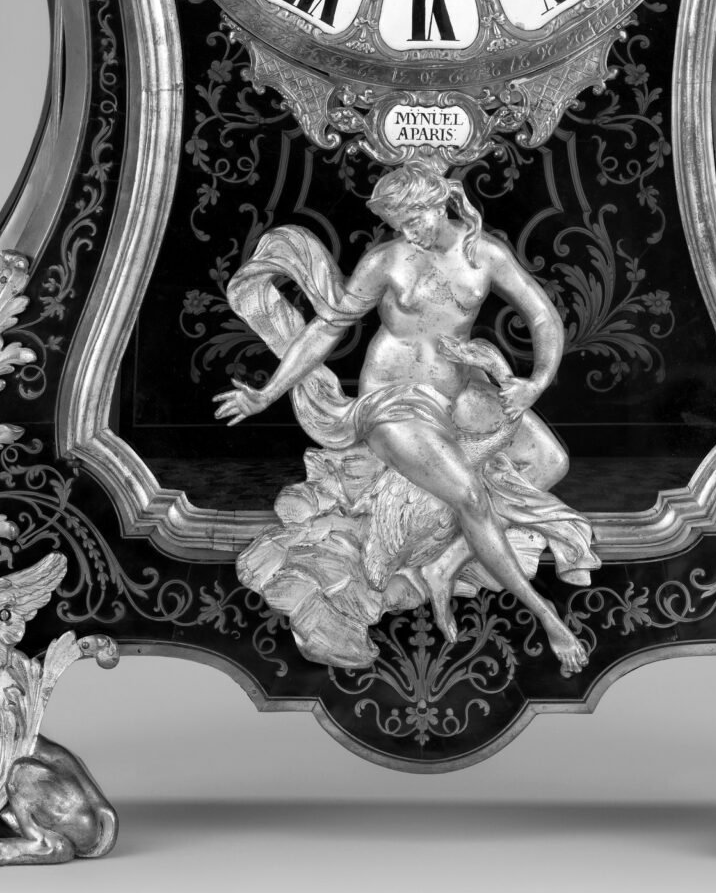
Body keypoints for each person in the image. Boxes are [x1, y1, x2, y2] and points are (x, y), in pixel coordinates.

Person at [216, 159, 592, 673]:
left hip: (461, 389)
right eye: (398, 225)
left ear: (440, 202)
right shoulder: (386, 261)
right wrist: (267, 392)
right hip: (394, 401)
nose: (408, 233)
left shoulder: (486, 255)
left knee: (549, 462)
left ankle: (446, 564)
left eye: (414, 220)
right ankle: (546, 615)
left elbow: (543, 315)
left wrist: (536, 382)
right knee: (470, 496)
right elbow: (328, 329)